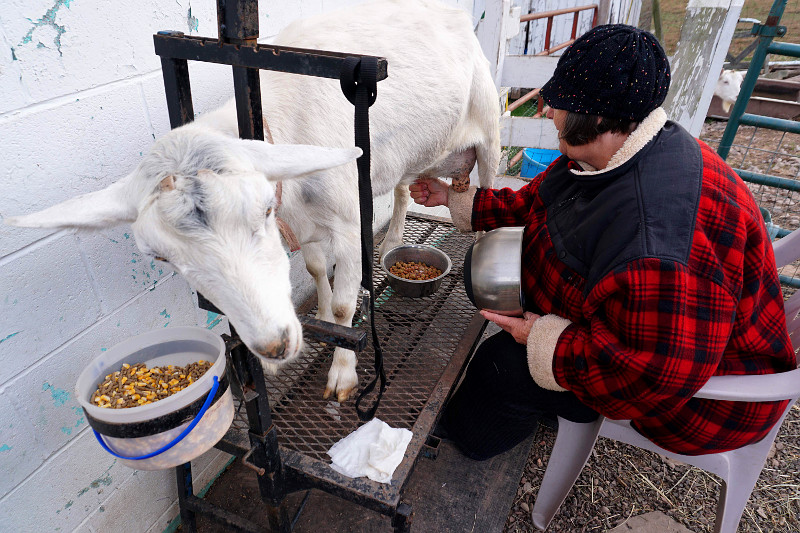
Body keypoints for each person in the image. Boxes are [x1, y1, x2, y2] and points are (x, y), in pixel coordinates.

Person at [410, 24, 797, 460]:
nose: (547, 110)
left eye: (559, 103)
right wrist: (457, 200)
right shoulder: (619, 151)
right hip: (651, 335)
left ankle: (466, 442)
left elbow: (647, 379)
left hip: (692, 401)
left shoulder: (659, 245)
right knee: (486, 283)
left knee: (500, 366)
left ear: (595, 117)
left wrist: (545, 339)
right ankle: (538, 397)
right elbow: (540, 201)